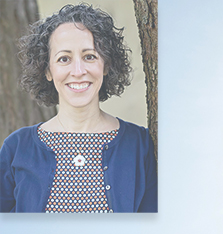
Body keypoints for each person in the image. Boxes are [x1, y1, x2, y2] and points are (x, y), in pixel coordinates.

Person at [0, 4, 157, 213]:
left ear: (107, 64)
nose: (78, 71)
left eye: (89, 56)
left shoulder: (140, 145)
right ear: (47, 70)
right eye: (64, 59)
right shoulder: (16, 148)